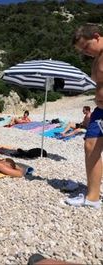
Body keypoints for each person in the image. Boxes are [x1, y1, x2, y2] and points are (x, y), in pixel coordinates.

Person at [71, 23, 103, 208]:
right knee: (90, 145)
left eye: (86, 46)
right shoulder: (97, 58)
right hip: (100, 110)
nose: (85, 52)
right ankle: (93, 197)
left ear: (97, 37)